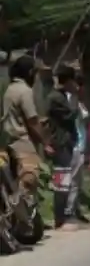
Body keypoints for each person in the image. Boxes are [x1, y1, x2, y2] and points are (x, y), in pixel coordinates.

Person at [1, 55, 51, 223]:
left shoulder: (10, 89)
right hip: (23, 142)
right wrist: (46, 143)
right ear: (30, 72)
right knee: (29, 178)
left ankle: (18, 216)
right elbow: (32, 121)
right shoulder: (25, 91)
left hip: (9, 141)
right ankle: (18, 212)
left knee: (16, 181)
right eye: (35, 73)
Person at [46, 65, 82, 231]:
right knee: (61, 180)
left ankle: (62, 216)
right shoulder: (56, 98)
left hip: (65, 142)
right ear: (67, 81)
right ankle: (60, 218)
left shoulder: (60, 96)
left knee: (65, 180)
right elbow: (70, 115)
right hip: (60, 143)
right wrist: (75, 96)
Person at [64, 72, 90, 225]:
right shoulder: (70, 100)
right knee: (73, 180)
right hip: (75, 144)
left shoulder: (77, 101)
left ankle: (75, 208)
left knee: (77, 181)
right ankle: (69, 211)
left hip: (80, 144)